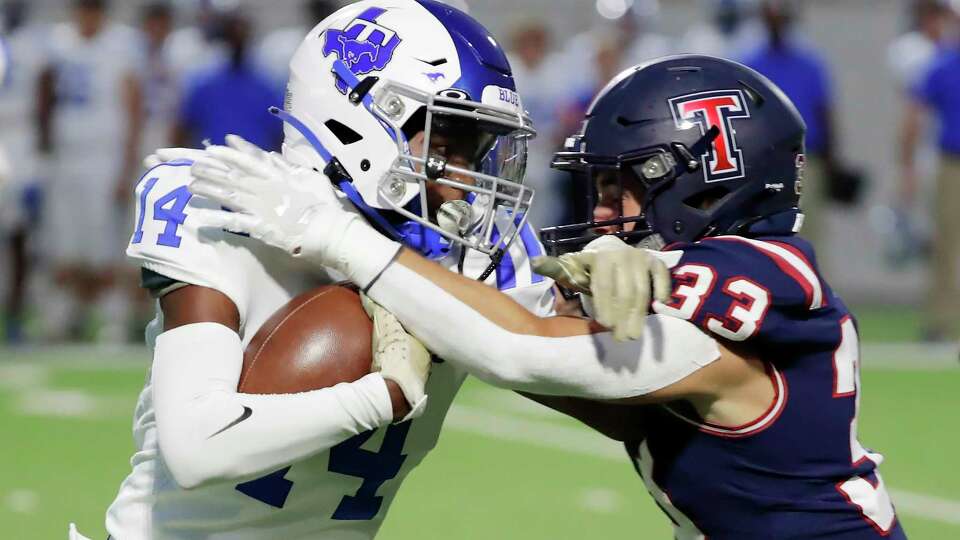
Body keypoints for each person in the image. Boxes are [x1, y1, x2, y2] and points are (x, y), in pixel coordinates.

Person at [192, 55, 906, 539]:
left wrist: (335, 235)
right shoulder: (741, 270)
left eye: (617, 187)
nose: (601, 216)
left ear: (703, 183)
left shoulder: (734, 302)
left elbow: (520, 349)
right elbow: (537, 340)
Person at [102, 2, 553, 539]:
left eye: (474, 153)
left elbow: (571, 365)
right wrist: (384, 394)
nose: (462, 183)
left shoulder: (475, 248)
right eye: (442, 143)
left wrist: (634, 277)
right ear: (358, 118)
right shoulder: (219, 205)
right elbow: (198, 448)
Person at [36, 0, 143, 342]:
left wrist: (126, 163)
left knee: (104, 242)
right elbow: (45, 92)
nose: (87, 16)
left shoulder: (120, 45)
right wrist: (45, 142)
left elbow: (133, 105)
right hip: (67, 152)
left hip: (103, 153)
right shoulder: (58, 41)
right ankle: (67, 316)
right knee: (65, 242)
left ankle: (111, 318)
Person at [740, 0, 840, 248]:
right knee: (763, 230)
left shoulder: (809, 65)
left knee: (809, 228)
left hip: (806, 159)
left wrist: (832, 161)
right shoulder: (749, 63)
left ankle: (810, 283)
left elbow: (824, 113)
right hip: (763, 162)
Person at [901, 4, 960, 342]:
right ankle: (941, 321)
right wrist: (908, 168)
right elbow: (915, 117)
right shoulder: (941, 65)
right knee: (944, 244)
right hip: (951, 162)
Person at [0, 0, 48, 343]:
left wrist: (42, 154)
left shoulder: (34, 45)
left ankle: (15, 317)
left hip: (19, 138)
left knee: (20, 237)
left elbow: (44, 99)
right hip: (13, 136)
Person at [171, 6, 283, 150]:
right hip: (213, 165)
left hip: (255, 166)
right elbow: (181, 130)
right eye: (233, 36)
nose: (237, 42)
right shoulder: (204, 84)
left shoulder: (267, 86)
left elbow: (280, 134)